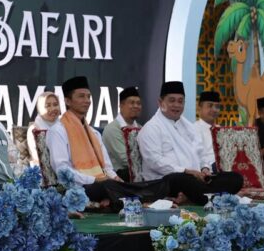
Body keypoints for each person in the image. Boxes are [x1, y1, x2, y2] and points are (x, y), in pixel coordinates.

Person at [46, 76, 185, 211]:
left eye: (88, 96)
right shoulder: (58, 131)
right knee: (109, 186)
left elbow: (107, 167)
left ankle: (144, 199)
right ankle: (150, 201)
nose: (87, 101)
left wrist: (116, 178)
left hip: (103, 183)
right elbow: (62, 170)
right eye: (81, 96)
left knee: (154, 183)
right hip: (79, 188)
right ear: (68, 101)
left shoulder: (93, 133)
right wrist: (94, 180)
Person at [138, 81, 243, 204]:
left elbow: (201, 153)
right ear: (161, 102)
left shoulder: (188, 127)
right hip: (165, 181)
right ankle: (211, 196)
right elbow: (154, 162)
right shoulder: (151, 128)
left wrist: (204, 168)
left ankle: (198, 196)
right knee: (182, 179)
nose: (176, 105)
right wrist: (186, 171)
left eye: (180, 101)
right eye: (172, 100)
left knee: (235, 178)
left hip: (195, 178)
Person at [102, 86, 143, 182]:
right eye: (132, 103)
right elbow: (126, 160)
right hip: (120, 177)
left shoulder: (141, 128)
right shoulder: (112, 129)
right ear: (121, 105)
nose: (136, 106)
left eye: (138, 103)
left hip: (140, 171)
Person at [26, 91, 61, 167]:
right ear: (40, 108)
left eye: (55, 104)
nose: (53, 109)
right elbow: (38, 158)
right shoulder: (35, 129)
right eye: (47, 106)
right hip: (43, 170)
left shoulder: (64, 126)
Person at [194, 90, 221, 169]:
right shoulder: (194, 129)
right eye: (210, 106)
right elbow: (197, 155)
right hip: (206, 170)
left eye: (217, 106)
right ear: (199, 108)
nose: (214, 110)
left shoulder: (221, 129)